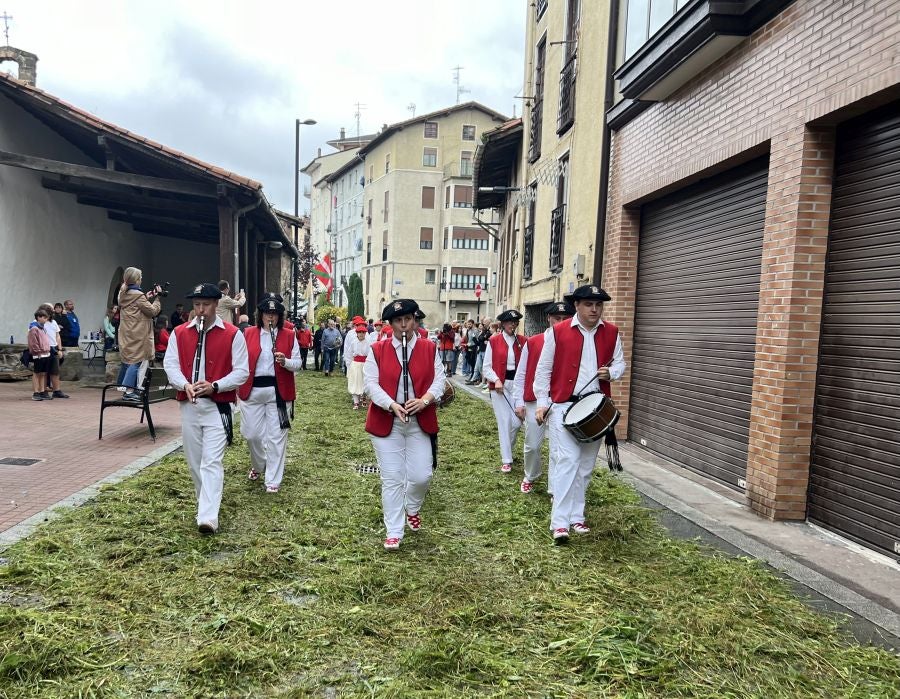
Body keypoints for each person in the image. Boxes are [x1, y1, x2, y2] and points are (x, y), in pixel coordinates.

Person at [534, 284, 626, 545]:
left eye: (598, 305)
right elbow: (543, 371)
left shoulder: (612, 332)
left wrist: (613, 373)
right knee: (567, 463)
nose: (594, 309)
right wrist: (542, 403)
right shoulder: (557, 332)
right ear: (577, 305)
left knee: (585, 467)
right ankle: (560, 523)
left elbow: (620, 362)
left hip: (596, 408)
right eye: (588, 304)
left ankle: (577, 515)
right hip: (563, 407)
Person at [163, 282, 249, 534]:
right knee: (194, 462)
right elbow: (171, 365)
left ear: (216, 305)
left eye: (206, 305)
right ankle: (206, 504)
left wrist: (216, 385)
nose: (200, 310)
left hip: (218, 407)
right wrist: (184, 384)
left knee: (211, 461)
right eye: (197, 305)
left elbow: (242, 371)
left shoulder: (233, 334)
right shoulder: (180, 332)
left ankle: (208, 517)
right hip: (189, 405)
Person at [364, 299, 445, 551]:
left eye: (408, 320)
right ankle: (394, 531)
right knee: (392, 478)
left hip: (419, 420)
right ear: (390, 325)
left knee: (422, 475)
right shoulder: (377, 350)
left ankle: (412, 506)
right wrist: (390, 404)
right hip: (387, 420)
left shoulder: (429, 348)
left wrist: (425, 400)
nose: (403, 325)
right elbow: (371, 384)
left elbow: (440, 381)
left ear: (415, 321)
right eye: (398, 321)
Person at [239, 297, 301, 493]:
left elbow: (298, 363)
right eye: (267, 313)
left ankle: (273, 479)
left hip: (279, 392)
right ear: (261, 315)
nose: (271, 316)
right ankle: (259, 465)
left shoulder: (289, 335)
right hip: (252, 391)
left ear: (280, 316)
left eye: (274, 314)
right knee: (251, 435)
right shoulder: (248, 333)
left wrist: (285, 362)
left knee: (276, 437)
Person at [513, 301, 575, 494]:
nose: (561, 322)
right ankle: (530, 474)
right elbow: (521, 373)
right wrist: (518, 401)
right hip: (535, 400)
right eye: (557, 318)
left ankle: (555, 489)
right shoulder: (533, 342)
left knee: (559, 449)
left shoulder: (575, 342)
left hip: (561, 400)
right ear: (549, 318)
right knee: (532, 445)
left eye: (565, 319)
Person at [483, 310, 526, 473]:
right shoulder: (494, 341)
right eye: (509, 322)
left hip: (517, 385)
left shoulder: (523, 341)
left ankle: (508, 448)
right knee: (504, 422)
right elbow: (486, 367)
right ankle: (506, 459)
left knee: (516, 422)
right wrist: (496, 380)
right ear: (503, 323)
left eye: (515, 322)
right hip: (500, 386)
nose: (512, 325)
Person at [117, 267, 162, 402]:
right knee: (136, 362)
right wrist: (158, 297)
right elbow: (153, 311)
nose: (141, 280)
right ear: (136, 280)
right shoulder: (138, 296)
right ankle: (129, 391)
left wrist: (146, 297)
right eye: (140, 278)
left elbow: (135, 306)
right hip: (138, 333)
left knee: (129, 360)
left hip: (127, 332)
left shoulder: (123, 294)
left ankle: (125, 388)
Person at [38, 303, 68, 399]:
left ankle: (57, 390)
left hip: (54, 348)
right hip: (43, 348)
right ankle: (43, 391)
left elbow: (57, 336)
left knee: (55, 371)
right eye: (50, 310)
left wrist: (59, 348)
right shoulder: (37, 322)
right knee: (43, 371)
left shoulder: (53, 322)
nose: (52, 311)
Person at [345, 322, 373, 409]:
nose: (361, 334)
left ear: (365, 333)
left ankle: (364, 397)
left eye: (363, 332)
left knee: (364, 382)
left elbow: (371, 355)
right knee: (355, 382)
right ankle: (356, 402)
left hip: (365, 364)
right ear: (356, 333)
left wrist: (370, 366)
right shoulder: (353, 342)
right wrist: (348, 365)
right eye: (359, 332)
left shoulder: (369, 342)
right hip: (355, 364)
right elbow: (349, 354)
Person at [27, 308, 52, 401]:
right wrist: (38, 352)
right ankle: (36, 392)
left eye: (46, 318)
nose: (46, 320)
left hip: (46, 354)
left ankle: (42, 391)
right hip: (39, 355)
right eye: (44, 318)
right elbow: (33, 343)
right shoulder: (34, 329)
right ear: (38, 317)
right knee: (36, 374)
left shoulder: (42, 328)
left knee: (43, 374)